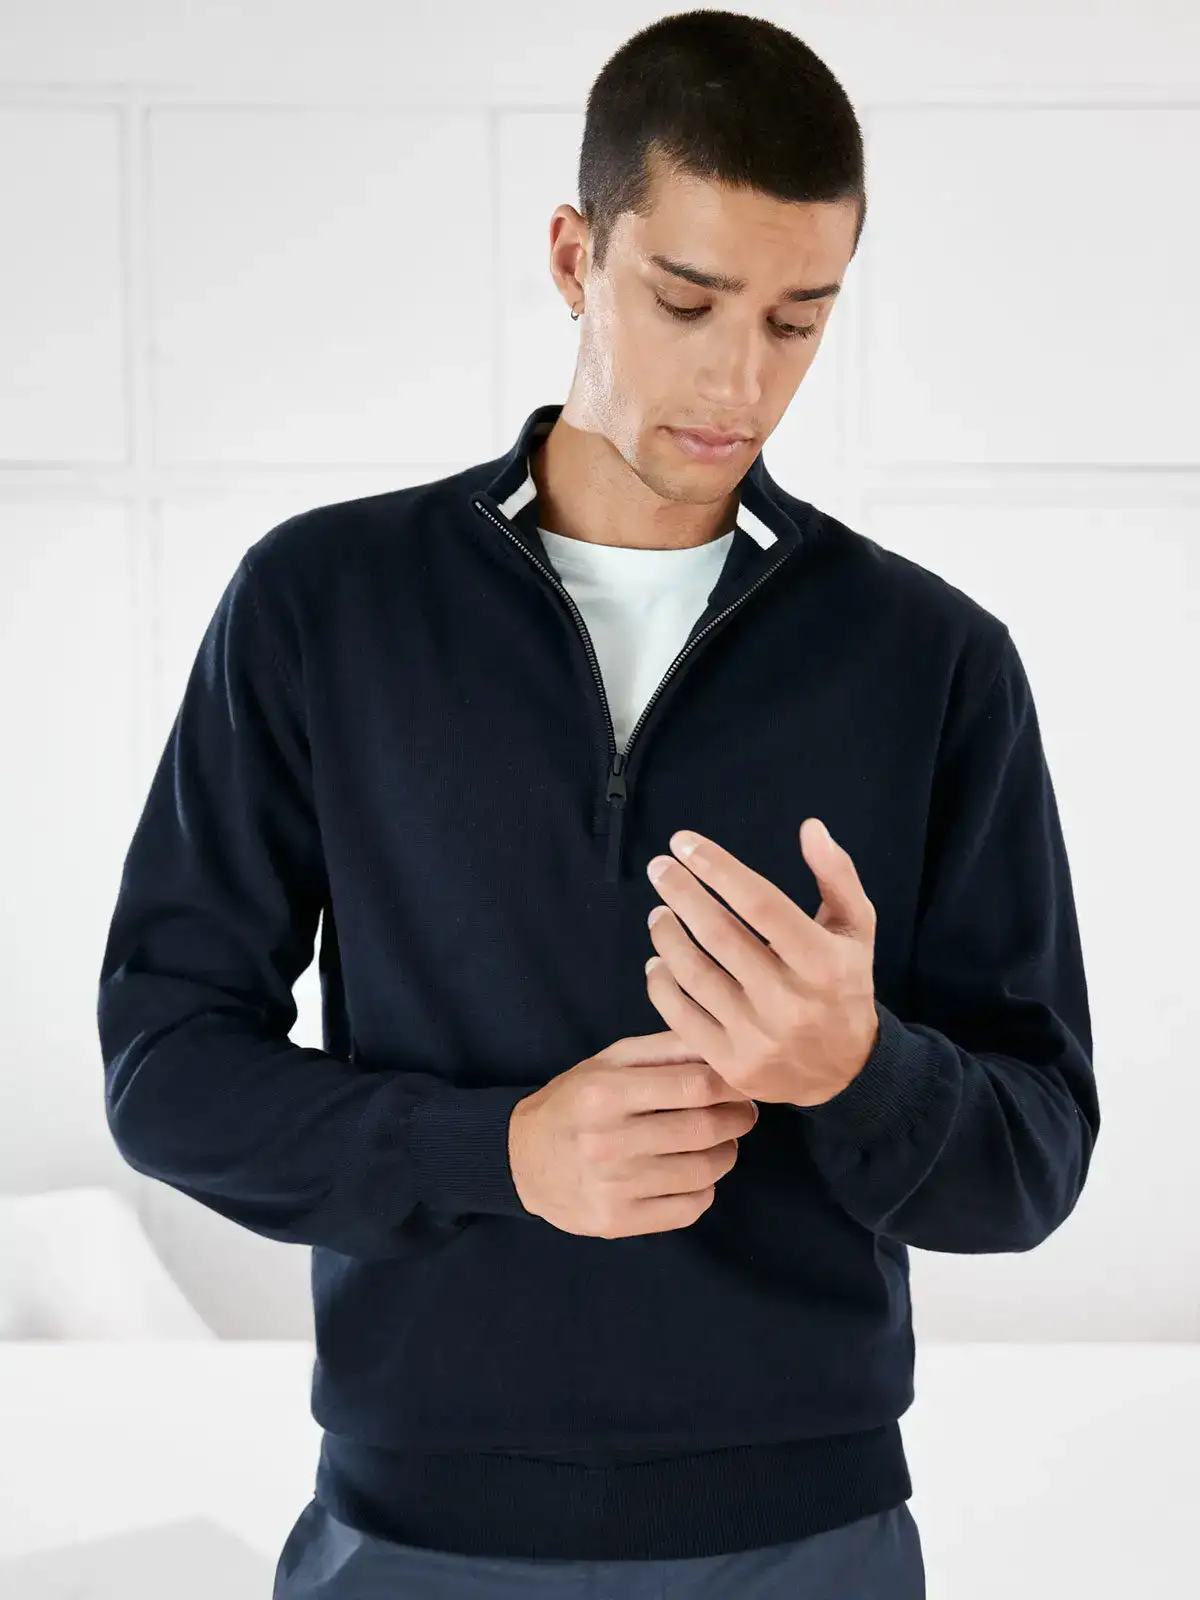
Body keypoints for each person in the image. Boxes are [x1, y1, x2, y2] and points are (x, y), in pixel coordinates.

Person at [97, 9, 1100, 1597]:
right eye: (686, 300)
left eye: (798, 321)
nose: (739, 378)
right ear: (576, 256)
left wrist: (857, 1069)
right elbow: (164, 1068)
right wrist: (496, 1152)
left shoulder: (932, 661)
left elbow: (1037, 1156)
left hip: (808, 1543)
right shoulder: (324, 604)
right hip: (416, 1531)